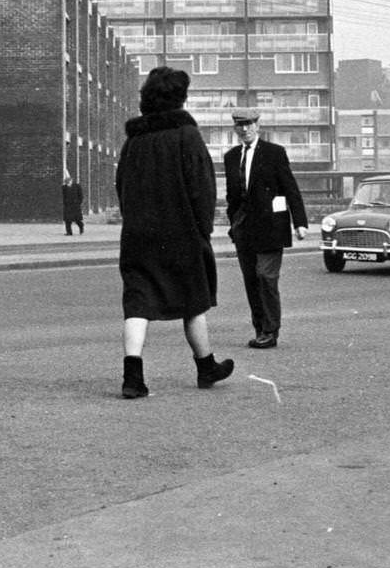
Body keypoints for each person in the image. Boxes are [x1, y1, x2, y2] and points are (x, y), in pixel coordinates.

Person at [115, 65, 234, 398]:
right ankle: (205, 366)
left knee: (138, 304)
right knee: (193, 300)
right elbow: (203, 188)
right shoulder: (187, 135)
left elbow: (121, 185)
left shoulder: (133, 141)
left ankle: (133, 378)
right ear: (180, 98)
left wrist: (134, 220)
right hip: (181, 234)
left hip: (138, 236)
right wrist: (203, 231)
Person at [223, 108, 308, 350]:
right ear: (235, 128)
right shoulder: (231, 157)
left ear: (258, 125)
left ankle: (270, 331)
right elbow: (232, 197)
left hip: (271, 228)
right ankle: (260, 328)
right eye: (240, 124)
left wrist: (299, 222)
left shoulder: (274, 153)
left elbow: (290, 188)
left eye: (249, 124)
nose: (245, 129)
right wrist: (233, 224)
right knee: (251, 280)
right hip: (243, 230)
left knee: (266, 277)